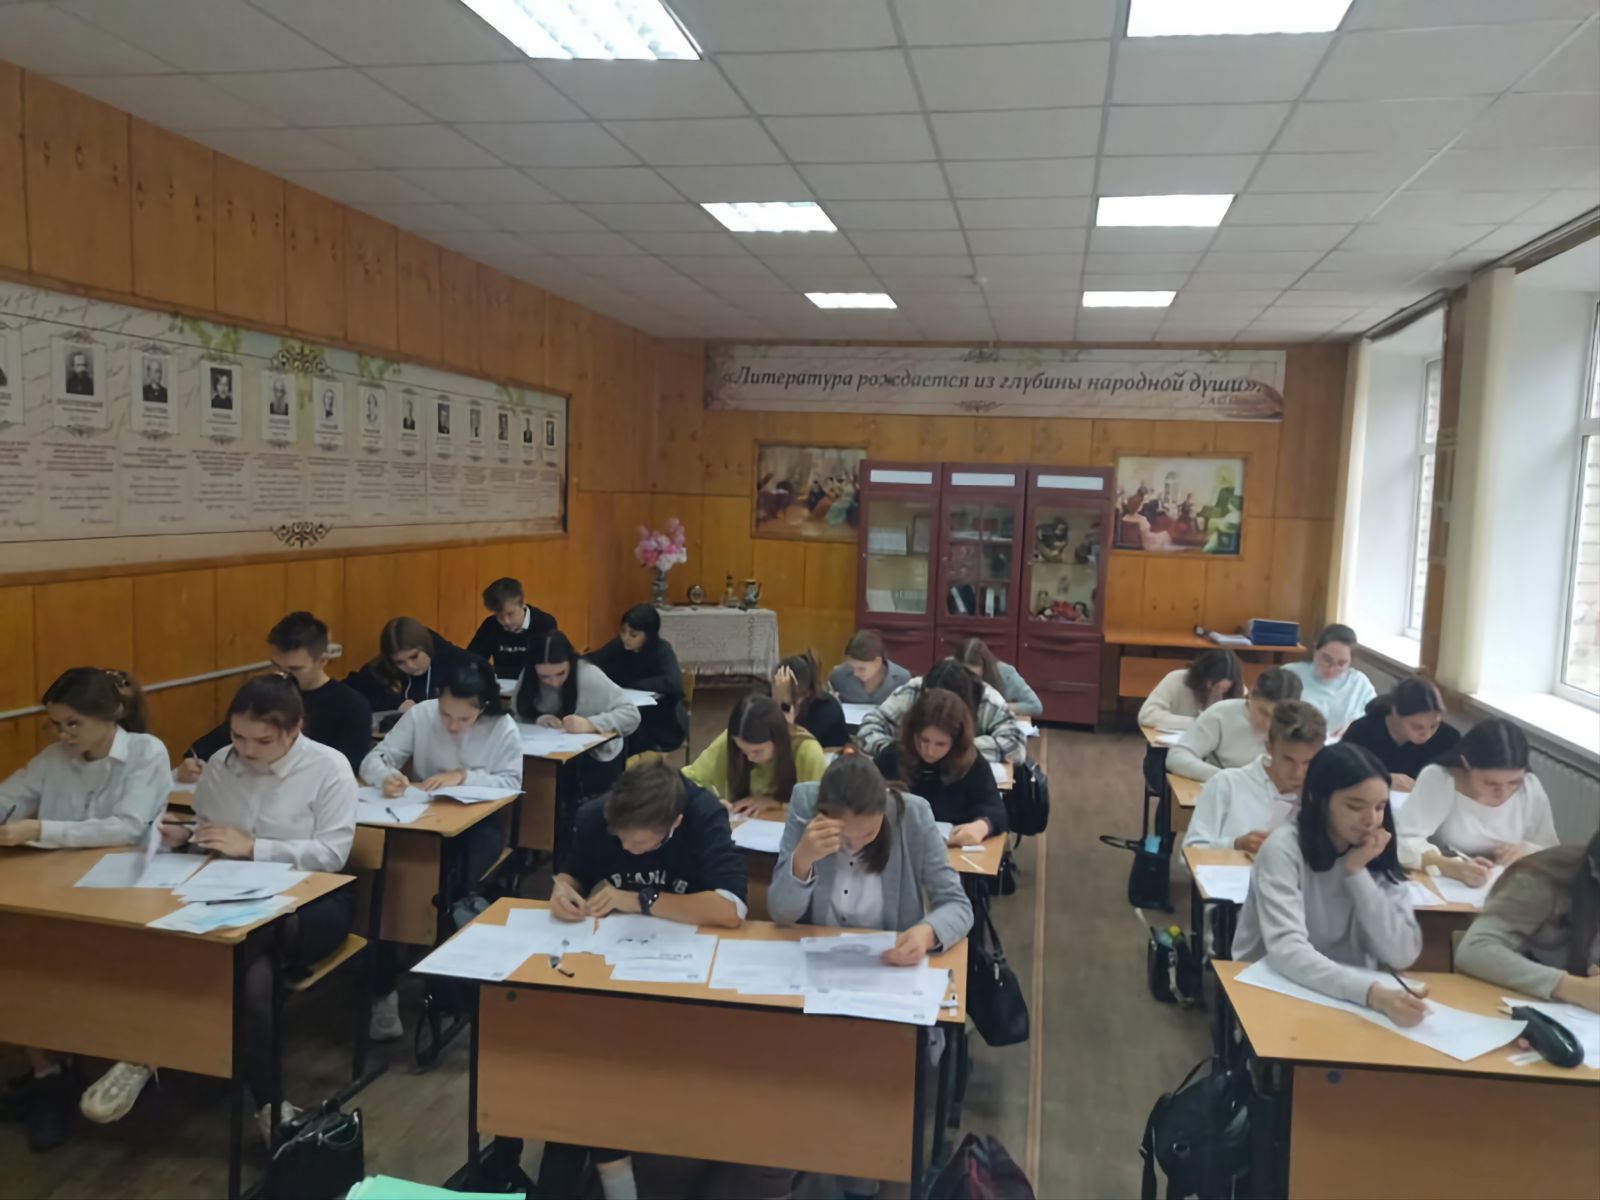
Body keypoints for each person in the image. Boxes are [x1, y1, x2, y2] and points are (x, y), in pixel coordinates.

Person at [93, 678, 356, 1144]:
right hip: (233, 896)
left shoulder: (328, 767)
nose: (246, 750)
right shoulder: (221, 763)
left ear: (294, 729)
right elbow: (211, 831)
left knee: (239, 943)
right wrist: (187, 835)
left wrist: (254, 847)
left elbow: (332, 855)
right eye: (237, 736)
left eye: (262, 741)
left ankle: (148, 1046)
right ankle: (272, 1107)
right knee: (253, 978)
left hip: (312, 903)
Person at [525, 762, 747, 1199]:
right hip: (610, 964)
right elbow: (573, 873)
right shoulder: (598, 814)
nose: (627, 848)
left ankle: (619, 1169)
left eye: (640, 843)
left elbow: (731, 908)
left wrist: (641, 900)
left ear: (674, 824)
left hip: (685, 968)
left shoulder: (702, 814)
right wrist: (562, 891)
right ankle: (599, 1168)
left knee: (625, 1053)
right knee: (579, 1048)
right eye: (620, 839)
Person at [0, 669, 168, 1151]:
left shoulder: (145, 753)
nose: (63, 736)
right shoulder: (54, 759)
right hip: (57, 886)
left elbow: (127, 827)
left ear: (109, 716)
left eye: (73, 724)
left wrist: (41, 830)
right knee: (17, 956)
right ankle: (46, 1073)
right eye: (56, 725)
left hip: (124, 887)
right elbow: (10, 796)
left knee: (93, 964)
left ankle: (131, 1053)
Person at [360, 658, 520, 1040]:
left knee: (444, 890)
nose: (452, 725)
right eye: (446, 714)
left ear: (482, 707)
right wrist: (387, 776)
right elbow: (374, 759)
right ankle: (384, 990)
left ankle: (449, 986)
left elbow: (512, 783)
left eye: (463, 719)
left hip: (478, 826)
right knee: (390, 887)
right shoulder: (422, 715)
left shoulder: (502, 728)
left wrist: (465, 776)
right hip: (421, 819)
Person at [1232, 744, 1426, 1027]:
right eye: (1355, 806)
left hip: (1349, 992)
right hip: (1276, 984)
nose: (1371, 820)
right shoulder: (1283, 849)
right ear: (1317, 798)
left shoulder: (1375, 849)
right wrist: (1371, 994)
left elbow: (1401, 954)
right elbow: (1287, 950)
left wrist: (1357, 874)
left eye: (1380, 807)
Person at [770, 755, 973, 964]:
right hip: (819, 959)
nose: (855, 846)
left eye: (868, 834)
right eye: (843, 836)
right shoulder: (805, 804)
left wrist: (928, 933)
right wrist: (802, 860)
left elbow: (957, 904)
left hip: (890, 962)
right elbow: (781, 914)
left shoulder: (913, 815)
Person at [181, 611, 373, 777]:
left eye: (294, 669)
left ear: (322, 660)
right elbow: (220, 738)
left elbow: (347, 768)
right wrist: (194, 759)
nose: (282, 675)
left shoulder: (352, 705)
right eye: (276, 665)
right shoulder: (266, 695)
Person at [1394, 718, 1558, 884]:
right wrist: (1451, 867)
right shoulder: (1441, 780)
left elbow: (1553, 852)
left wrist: (1530, 851)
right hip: (1448, 884)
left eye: (1514, 783)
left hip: (1506, 884)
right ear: (1466, 764)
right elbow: (1402, 841)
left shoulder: (1529, 787)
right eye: (1491, 783)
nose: (1503, 792)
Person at [1457, 832, 1600, 1012]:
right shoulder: (1542, 880)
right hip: (1511, 1004)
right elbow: (1475, 950)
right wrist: (1575, 988)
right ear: (1594, 869)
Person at [512, 630, 640, 808]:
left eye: (561, 673)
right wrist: (538, 719)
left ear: (570, 663)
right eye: (544, 677)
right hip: (550, 757)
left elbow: (631, 714)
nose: (554, 682)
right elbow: (516, 713)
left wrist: (590, 724)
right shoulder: (528, 676)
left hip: (595, 761)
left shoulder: (588, 675)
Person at [1184, 700, 1326, 852]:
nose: (1298, 772)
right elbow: (1190, 852)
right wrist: (1235, 845)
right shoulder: (1227, 784)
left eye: (1308, 762)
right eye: (1288, 760)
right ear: (1269, 747)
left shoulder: (1321, 798)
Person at [873, 687, 1006, 847]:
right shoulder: (892, 756)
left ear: (956, 742)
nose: (929, 751)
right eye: (923, 740)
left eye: (940, 744)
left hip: (953, 850)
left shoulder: (971, 763)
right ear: (912, 733)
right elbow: (864, 796)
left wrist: (981, 827)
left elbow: (995, 809)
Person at [857, 658, 1026, 765]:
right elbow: (869, 727)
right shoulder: (915, 690)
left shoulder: (986, 699)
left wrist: (957, 750)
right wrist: (898, 751)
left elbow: (1015, 745)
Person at [683, 693, 827, 817]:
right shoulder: (732, 741)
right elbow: (687, 780)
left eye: (757, 751)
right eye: (742, 750)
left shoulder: (806, 750)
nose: (749, 758)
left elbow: (822, 806)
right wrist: (709, 801)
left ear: (778, 739)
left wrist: (777, 804)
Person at [1167, 665, 1303, 783]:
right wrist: (1229, 779)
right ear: (1251, 695)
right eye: (1263, 712)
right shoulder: (1221, 714)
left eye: (1278, 717)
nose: (1268, 724)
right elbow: (1177, 757)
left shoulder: (1300, 725)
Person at [585, 604, 687, 756]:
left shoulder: (662, 650)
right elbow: (594, 660)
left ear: (649, 635)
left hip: (659, 721)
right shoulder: (619, 646)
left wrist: (634, 685)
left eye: (633, 635)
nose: (625, 638)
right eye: (623, 631)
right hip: (626, 711)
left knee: (618, 734)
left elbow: (673, 682)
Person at [1339, 677, 1460, 792]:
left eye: (1434, 726)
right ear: (1395, 712)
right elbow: (1340, 771)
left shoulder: (1447, 738)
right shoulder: (1362, 731)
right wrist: (1382, 778)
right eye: (1417, 727)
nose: (1427, 735)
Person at [344, 617, 480, 718]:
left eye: (414, 656)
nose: (410, 666)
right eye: (400, 662)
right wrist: (396, 703)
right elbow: (350, 690)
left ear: (426, 646)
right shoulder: (384, 667)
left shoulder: (456, 661)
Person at [1284, 624, 1376, 738]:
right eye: (1326, 659)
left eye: (1341, 664)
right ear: (1315, 650)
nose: (1331, 669)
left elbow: (1374, 716)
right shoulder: (1290, 674)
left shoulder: (1359, 683)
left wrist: (1355, 726)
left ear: (1350, 661)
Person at [466, 577, 558, 682]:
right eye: (499, 616)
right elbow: (472, 660)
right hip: (500, 687)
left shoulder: (544, 623)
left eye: (510, 614)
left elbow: (549, 664)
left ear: (522, 603)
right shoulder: (491, 625)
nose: (506, 621)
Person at [1137, 649, 1243, 733]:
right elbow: (1147, 715)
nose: (1218, 692)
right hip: (1170, 747)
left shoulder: (1235, 693)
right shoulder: (1176, 679)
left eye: (1224, 689)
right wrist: (1195, 723)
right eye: (1214, 686)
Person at [773, 650, 848, 748]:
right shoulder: (778, 697)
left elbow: (790, 744)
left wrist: (785, 703)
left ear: (807, 693)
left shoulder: (826, 709)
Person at [957, 637, 1042, 717]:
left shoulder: (1005, 673)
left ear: (985, 666)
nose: (969, 679)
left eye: (973, 675)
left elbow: (1035, 706)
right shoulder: (952, 669)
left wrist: (1001, 706)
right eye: (964, 673)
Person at [828, 629, 911, 706]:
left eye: (861, 669)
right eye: (851, 667)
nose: (855, 673)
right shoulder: (838, 676)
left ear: (877, 662)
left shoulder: (902, 679)